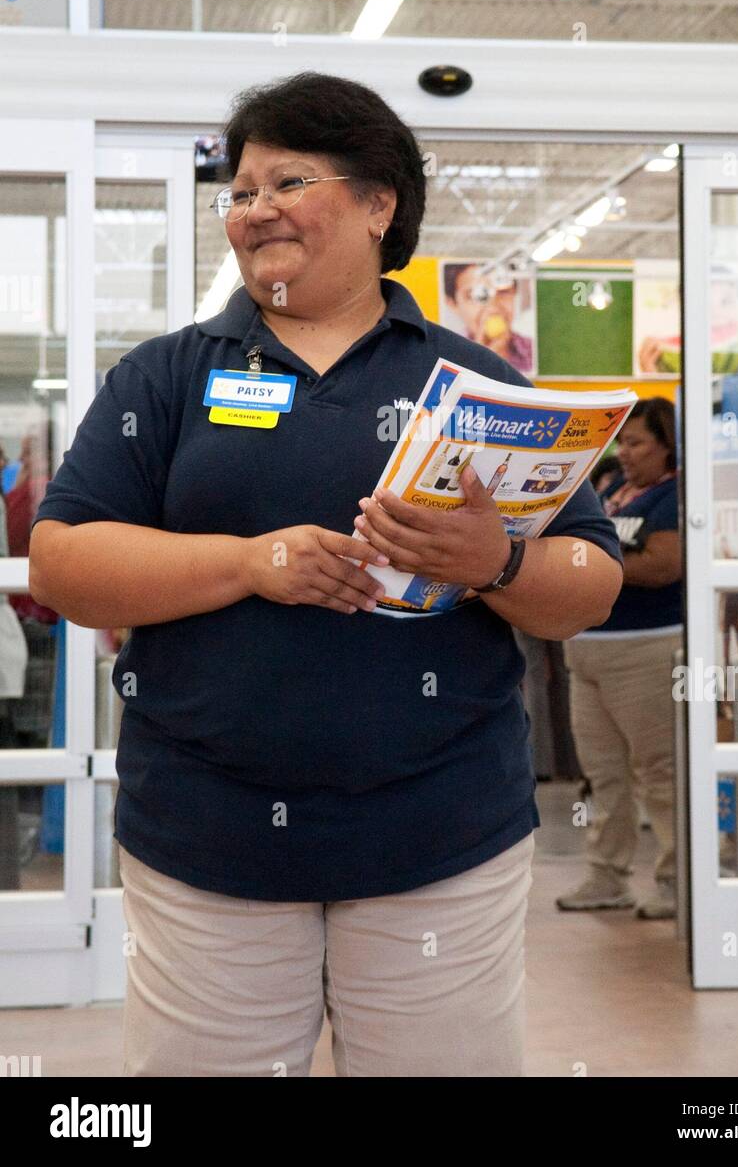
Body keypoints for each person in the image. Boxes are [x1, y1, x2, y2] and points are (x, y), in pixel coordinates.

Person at [29, 71, 623, 1078]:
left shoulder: (473, 387)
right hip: (206, 839)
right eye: (240, 192)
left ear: (378, 202)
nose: (254, 211)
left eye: (285, 182)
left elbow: (589, 577)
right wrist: (252, 562)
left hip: (441, 838)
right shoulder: (166, 376)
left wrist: (498, 561)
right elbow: (63, 560)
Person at [556, 397, 682, 920]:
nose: (625, 452)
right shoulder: (610, 489)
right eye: (622, 442)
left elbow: (664, 565)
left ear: (668, 445)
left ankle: (679, 881)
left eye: (637, 443)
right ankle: (607, 874)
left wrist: (593, 565)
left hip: (647, 648)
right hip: (587, 649)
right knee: (603, 774)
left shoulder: (674, 496)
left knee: (660, 769)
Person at [442, 263, 534, 372]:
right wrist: (483, 359)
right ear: (453, 304)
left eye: (503, 291)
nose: (493, 308)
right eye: (475, 295)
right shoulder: (448, 355)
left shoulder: (532, 350)